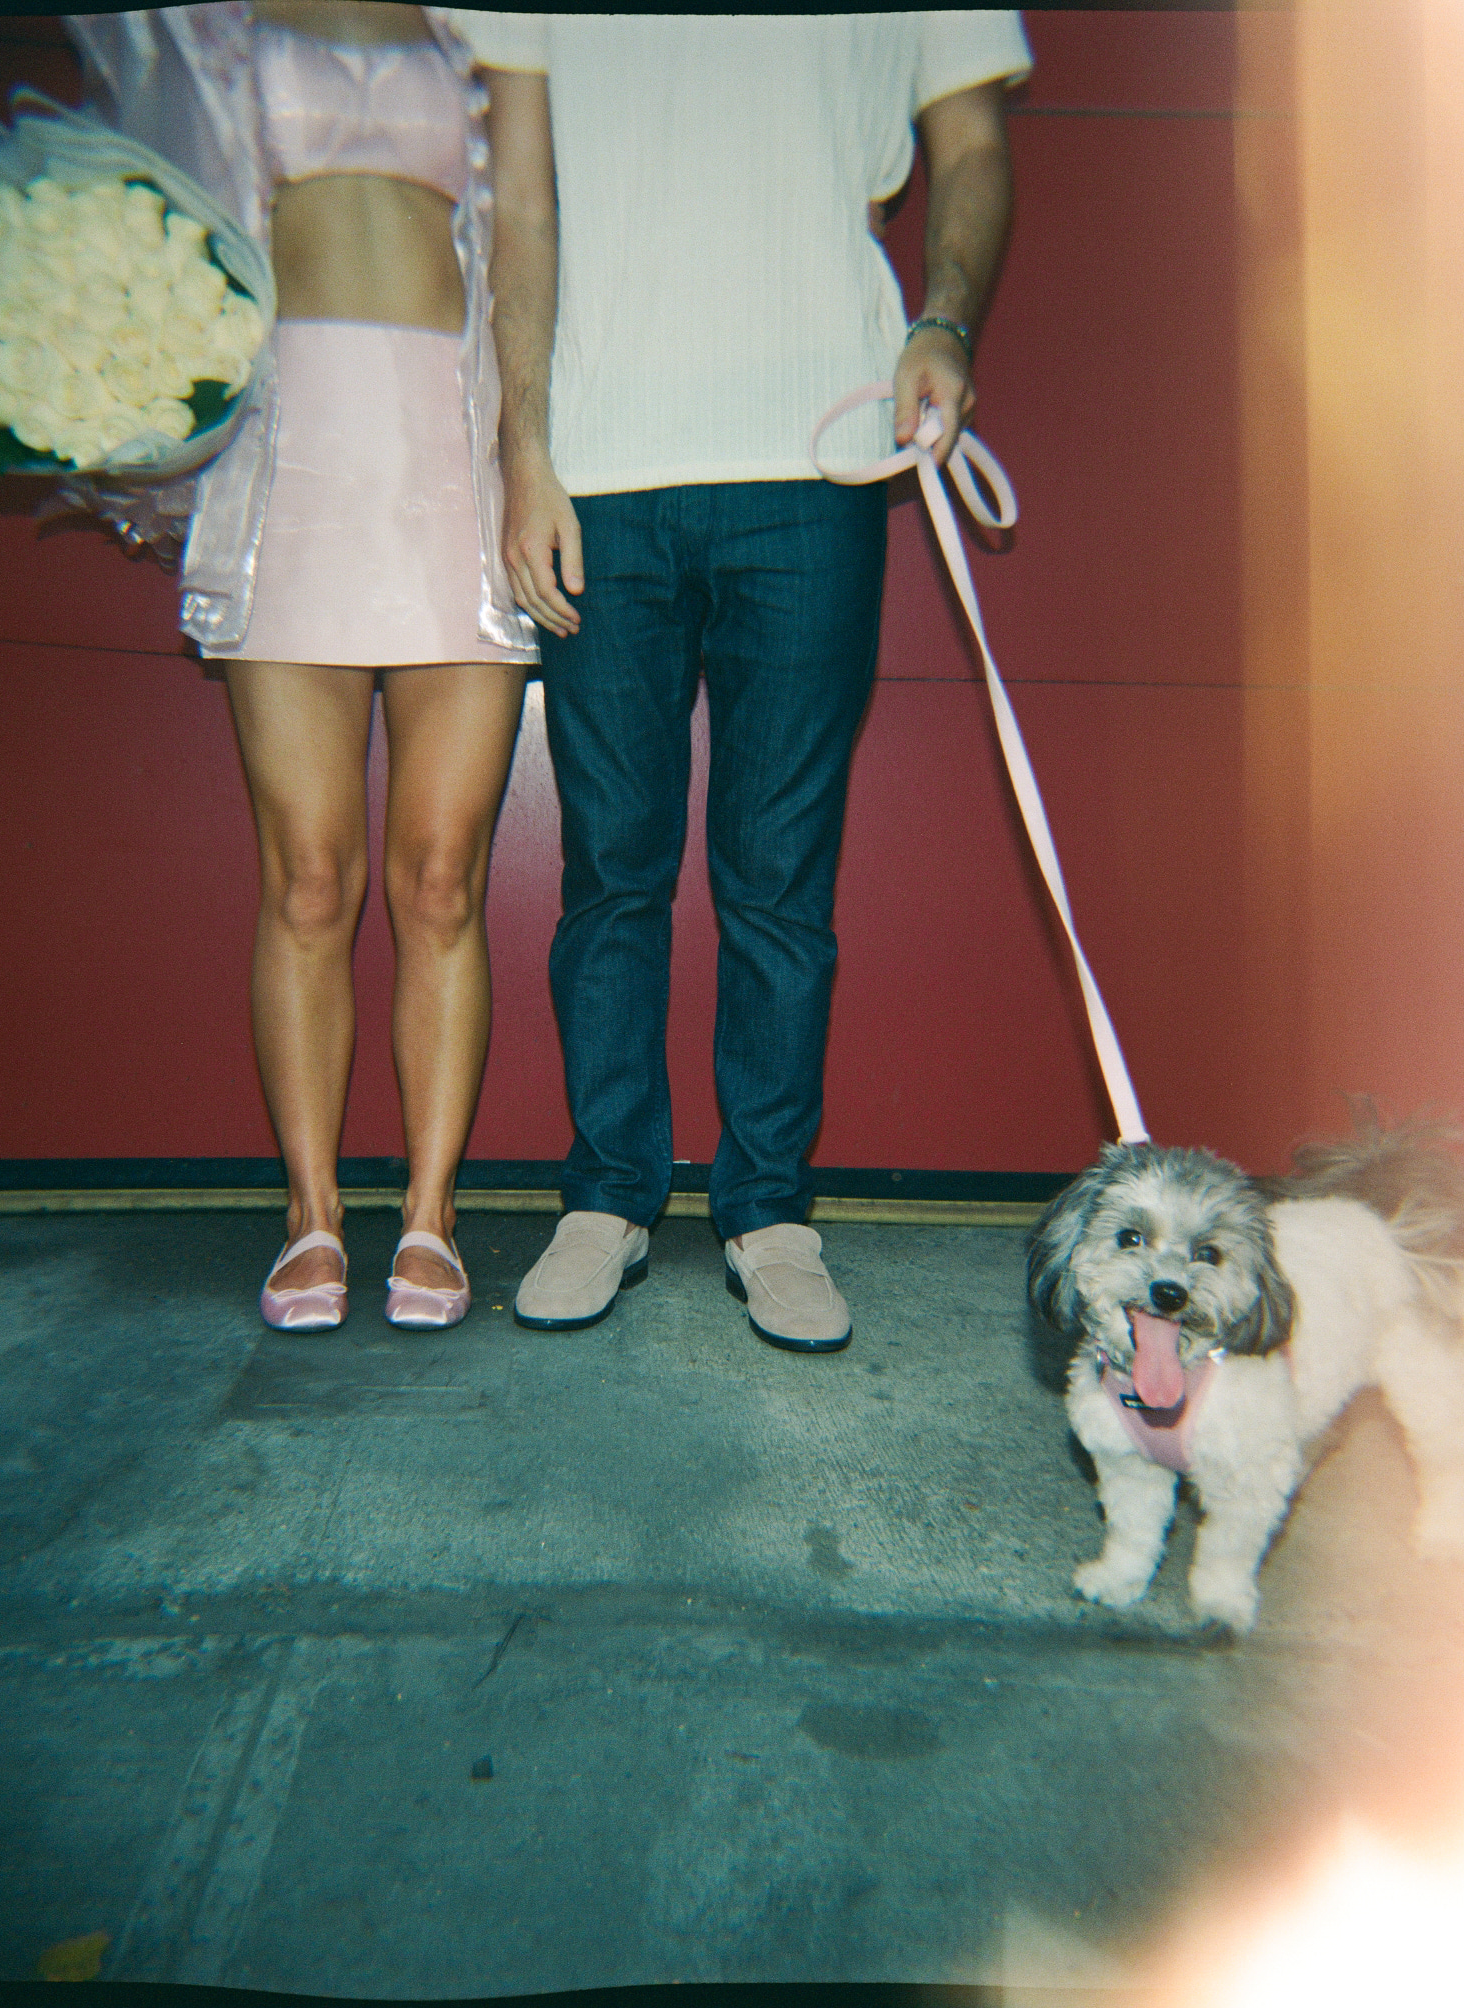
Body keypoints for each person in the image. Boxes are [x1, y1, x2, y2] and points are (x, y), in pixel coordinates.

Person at [448, 11, 1029, 1351]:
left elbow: (972, 144)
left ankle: (768, 1211)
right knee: (613, 866)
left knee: (778, 875)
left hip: (815, 462)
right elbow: (519, 202)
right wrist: (522, 448)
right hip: (604, 467)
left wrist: (944, 321)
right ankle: (609, 1196)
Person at [69, 3, 538, 1331]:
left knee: (440, 875)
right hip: (295, 462)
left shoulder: (487, 22)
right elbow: (145, 220)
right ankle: (312, 1212)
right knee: (311, 873)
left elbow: (532, 232)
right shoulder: (207, 21)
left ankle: (432, 1213)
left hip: (455, 454)